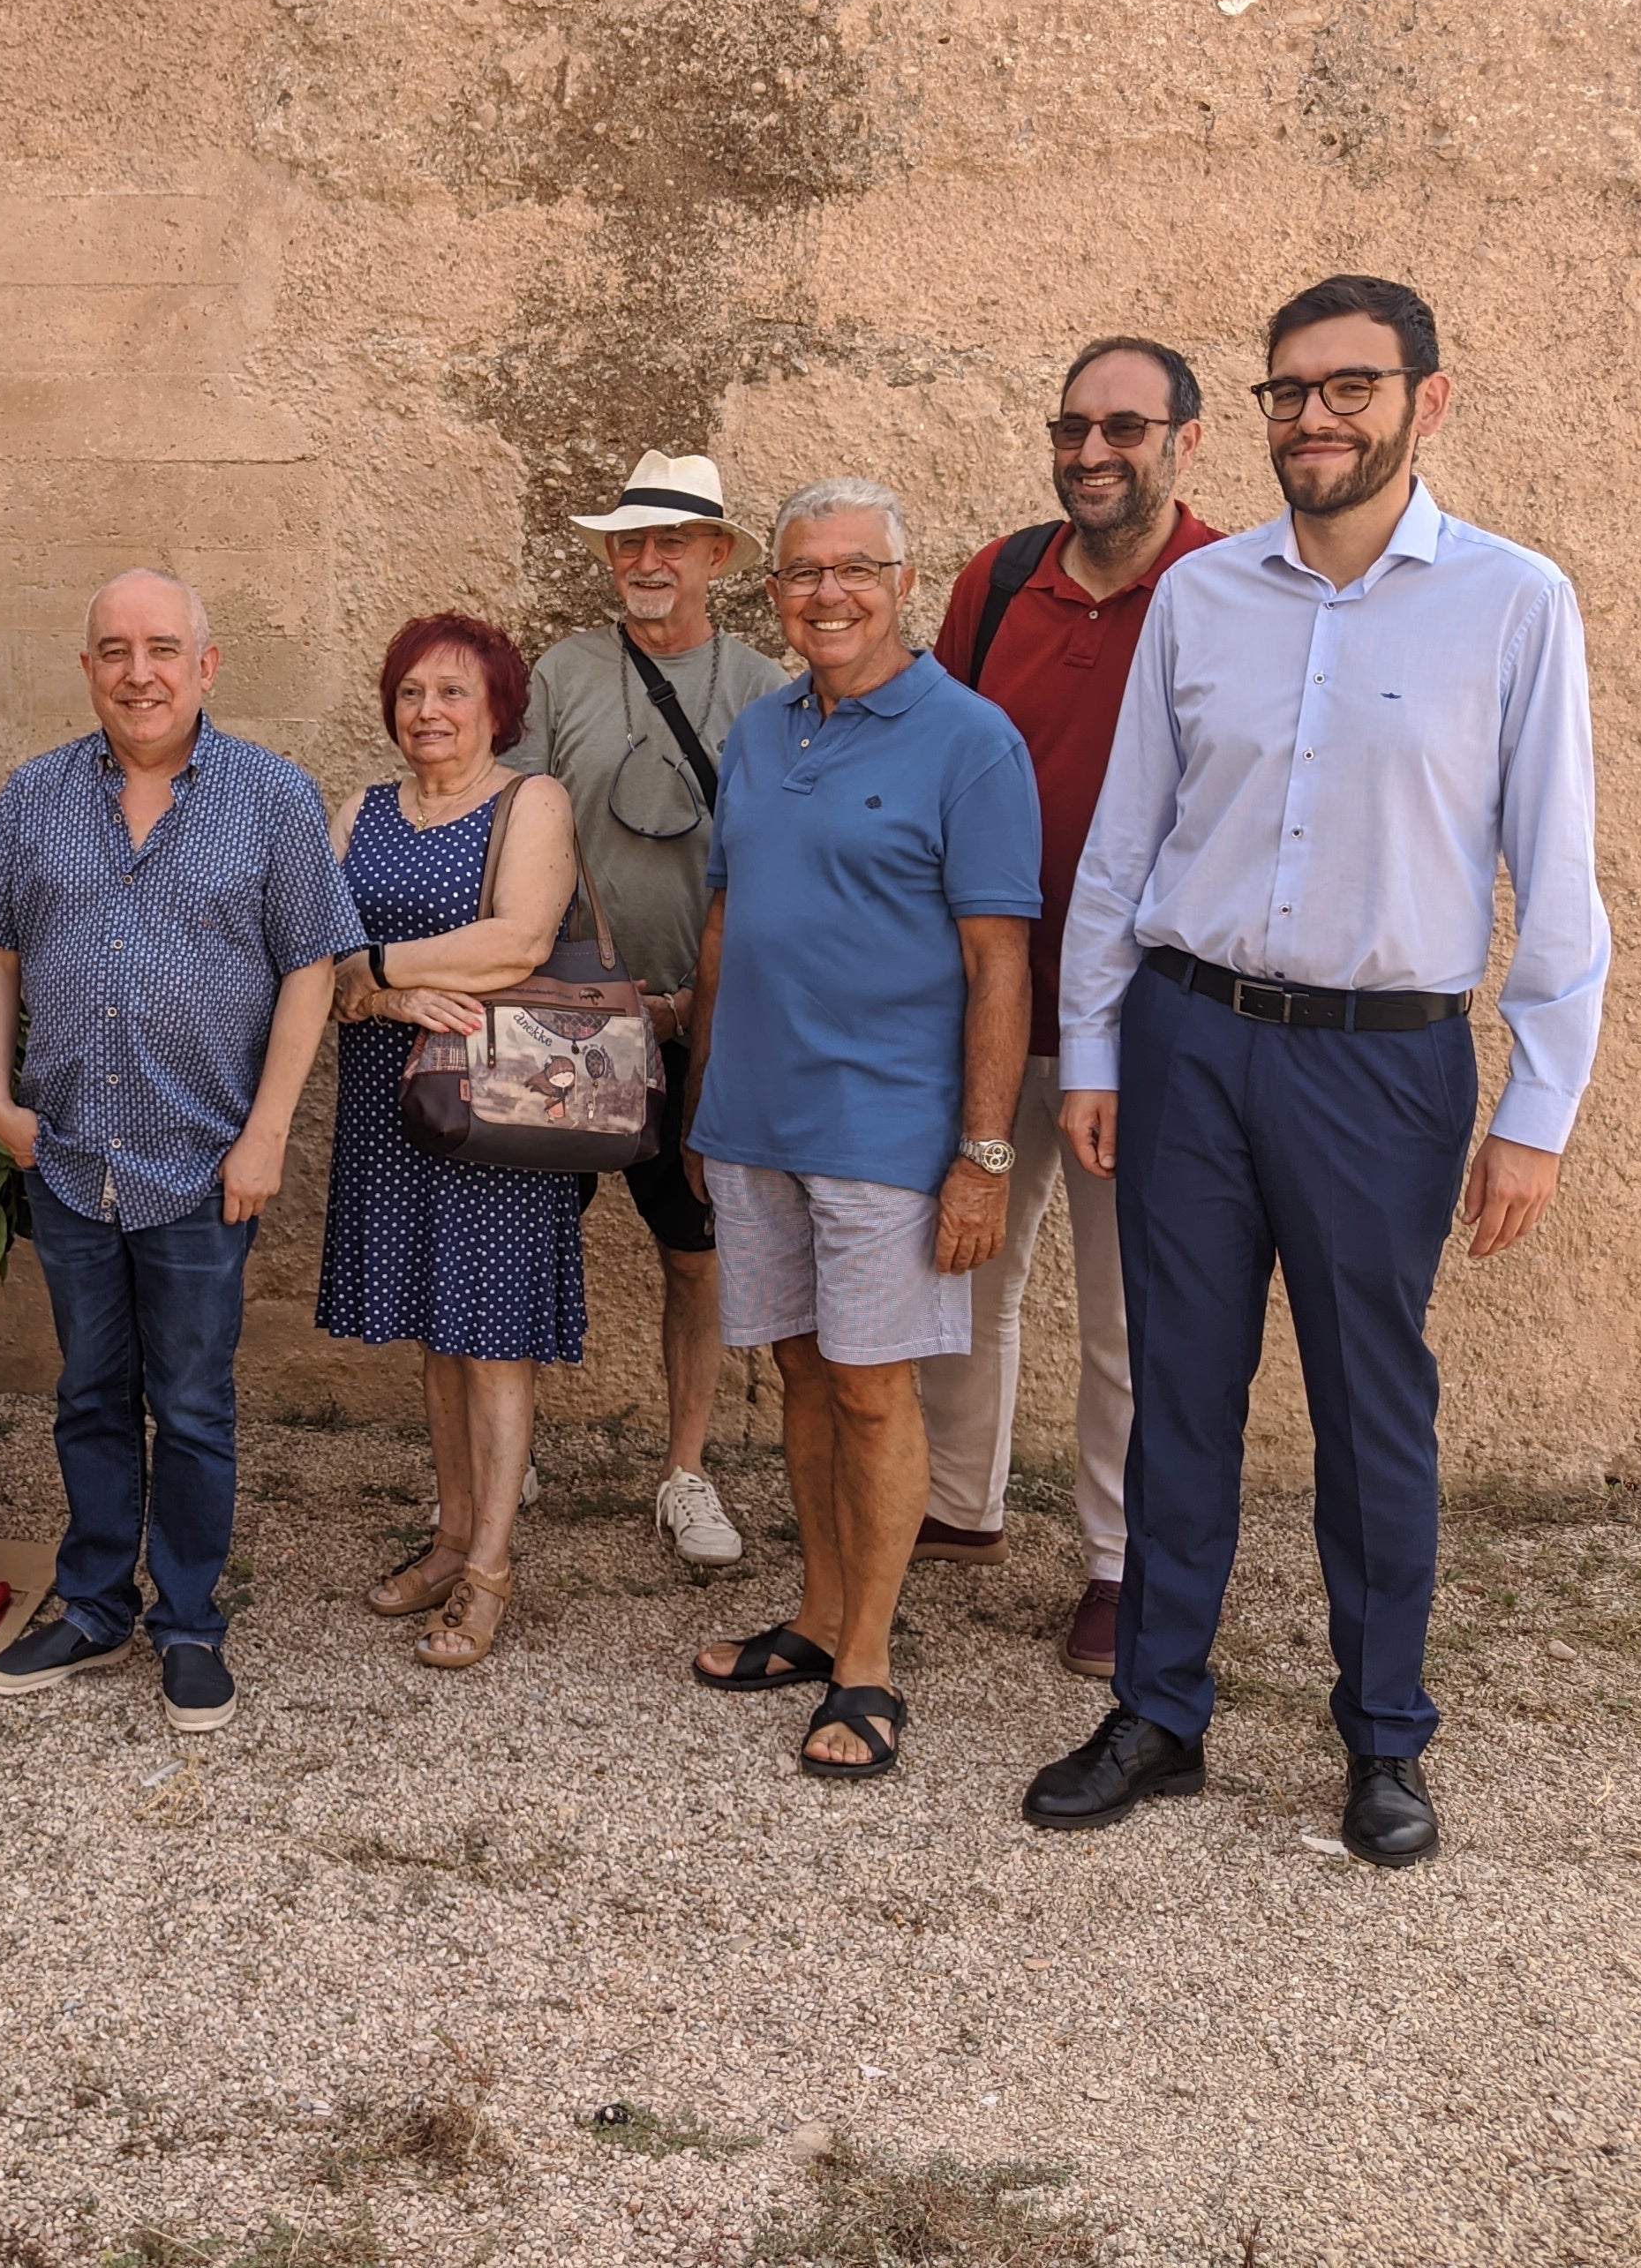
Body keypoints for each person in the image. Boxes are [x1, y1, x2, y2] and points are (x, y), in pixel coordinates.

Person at [1027, 275, 1609, 1869]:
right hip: (1191, 1043)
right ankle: (1159, 1712)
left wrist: (1537, 1113)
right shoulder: (1203, 600)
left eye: (1349, 387)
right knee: (1179, 1394)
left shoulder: (1512, 602)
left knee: (1371, 1411)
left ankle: (1384, 1739)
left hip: (1384, 1065)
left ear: (1429, 400)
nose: (1315, 419)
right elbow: (1127, 843)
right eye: (1291, 392)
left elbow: (1556, 874)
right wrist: (1096, 1044)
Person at [0, 569, 363, 1734]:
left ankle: (188, 1622)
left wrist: (269, 1132)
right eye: (116, 651)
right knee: (88, 1394)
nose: (141, 672)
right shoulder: (35, 797)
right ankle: (92, 1604)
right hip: (73, 1157)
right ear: (87, 668)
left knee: (188, 1402)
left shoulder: (273, 798)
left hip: (202, 1164)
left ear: (207, 666)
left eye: (164, 649)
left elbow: (310, 966)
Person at [684, 479, 1040, 1779]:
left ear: (905, 583)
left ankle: (872, 1667)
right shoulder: (760, 733)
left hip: (889, 1127)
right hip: (755, 1120)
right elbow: (725, 925)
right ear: (772, 593)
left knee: (877, 1394)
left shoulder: (972, 741)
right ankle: (820, 1613)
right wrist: (702, 1097)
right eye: (801, 573)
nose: (827, 594)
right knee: (798, 1372)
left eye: (856, 570)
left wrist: (984, 1156)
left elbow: (1000, 967)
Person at [915, 345, 1223, 1671]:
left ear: (1186, 440)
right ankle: (957, 1501)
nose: (1094, 452)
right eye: (1073, 427)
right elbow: (929, 750)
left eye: (1126, 428)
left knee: (1128, 1308)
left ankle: (1113, 1556)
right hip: (986, 999)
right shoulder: (997, 583)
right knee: (966, 1269)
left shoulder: (1230, 588)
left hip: (1144, 1018)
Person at [507, 450, 782, 1570]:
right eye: (630, 542)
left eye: (672, 541)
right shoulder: (559, 672)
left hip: (709, 1027)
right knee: (524, 1242)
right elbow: (518, 826)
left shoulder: (766, 688)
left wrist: (696, 1012)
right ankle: (504, 1447)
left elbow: (777, 861)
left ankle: (685, 1470)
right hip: (572, 1021)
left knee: (695, 1255)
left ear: (716, 557)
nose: (648, 561)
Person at [320, 612, 586, 1672]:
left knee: (493, 1339)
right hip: (391, 1103)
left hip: (497, 1109)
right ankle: (445, 1539)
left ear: (496, 708)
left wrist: (376, 964)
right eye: (411, 694)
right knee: (436, 1329)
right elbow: (316, 969)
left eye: (452, 694)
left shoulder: (533, 801)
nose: (427, 713)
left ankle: (489, 1570)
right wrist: (385, 996)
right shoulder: (358, 811)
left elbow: (518, 937)